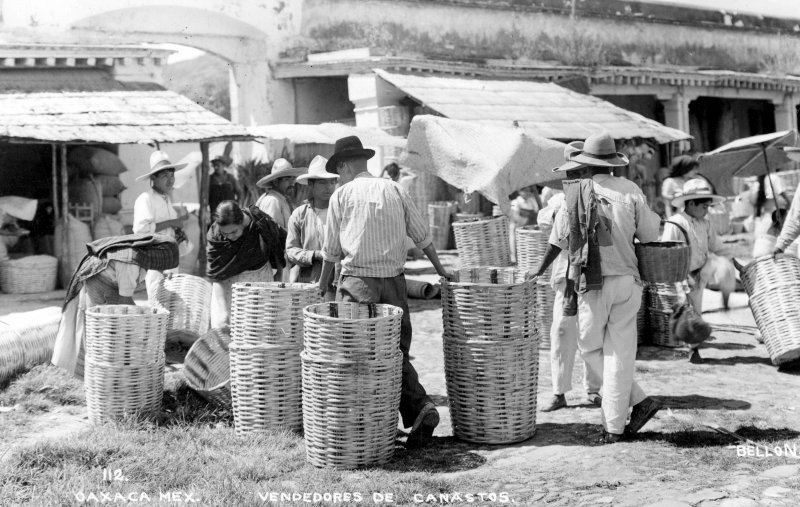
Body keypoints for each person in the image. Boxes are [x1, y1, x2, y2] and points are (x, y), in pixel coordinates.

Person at [318, 135, 453, 449]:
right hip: (394, 283)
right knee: (395, 352)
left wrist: (323, 286)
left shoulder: (342, 194)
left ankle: (368, 423)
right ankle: (420, 407)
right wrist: (442, 271)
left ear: (343, 165)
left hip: (357, 285)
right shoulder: (394, 189)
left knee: (356, 355)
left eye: (337, 170)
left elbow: (331, 251)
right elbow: (423, 237)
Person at [532, 132, 662, 443]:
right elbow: (650, 236)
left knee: (590, 348)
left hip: (593, 283)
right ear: (614, 163)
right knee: (619, 353)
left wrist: (536, 271)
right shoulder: (631, 190)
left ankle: (625, 416)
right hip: (629, 281)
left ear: (586, 163)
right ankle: (631, 410)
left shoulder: (576, 192)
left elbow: (558, 239)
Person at [52, 233, 179, 380]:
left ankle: (112, 372)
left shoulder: (140, 253)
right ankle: (97, 379)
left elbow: (151, 267)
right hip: (96, 284)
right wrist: (150, 323)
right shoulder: (130, 264)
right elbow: (126, 304)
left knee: (115, 330)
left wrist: (164, 273)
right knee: (102, 331)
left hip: (109, 283)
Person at [537, 142, 602, 412]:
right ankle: (559, 391)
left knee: (592, 333)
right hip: (566, 276)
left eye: (581, 169)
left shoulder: (598, 194)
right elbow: (545, 223)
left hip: (593, 274)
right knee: (562, 332)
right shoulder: (558, 199)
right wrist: (563, 211)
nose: (576, 175)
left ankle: (594, 390)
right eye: (572, 171)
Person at [662, 179, 731, 338]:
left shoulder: (705, 224)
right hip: (680, 278)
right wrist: (680, 276)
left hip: (699, 275)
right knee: (682, 311)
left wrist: (734, 261)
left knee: (696, 310)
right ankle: (686, 342)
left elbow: (717, 247)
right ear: (691, 203)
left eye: (708, 207)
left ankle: (693, 342)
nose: (707, 211)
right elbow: (666, 251)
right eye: (704, 207)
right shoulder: (675, 223)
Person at [206, 200, 287, 328]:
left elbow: (276, 244)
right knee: (224, 329)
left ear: (242, 222)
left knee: (257, 330)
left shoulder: (259, 222)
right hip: (227, 286)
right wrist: (223, 311)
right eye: (225, 233)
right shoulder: (216, 235)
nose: (229, 237)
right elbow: (217, 275)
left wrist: (279, 275)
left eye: (234, 232)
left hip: (259, 281)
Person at [133, 151, 190, 297]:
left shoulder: (166, 199)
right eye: (165, 176)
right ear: (154, 178)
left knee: (171, 303)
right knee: (157, 301)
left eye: (172, 175)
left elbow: (170, 227)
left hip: (171, 258)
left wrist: (178, 227)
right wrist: (172, 222)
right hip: (155, 260)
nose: (170, 180)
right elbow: (142, 230)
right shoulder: (145, 199)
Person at [286, 155, 339, 285]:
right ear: (311, 184)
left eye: (332, 182)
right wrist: (315, 255)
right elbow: (291, 250)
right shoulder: (300, 215)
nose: (329, 187)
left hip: (338, 282)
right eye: (323, 182)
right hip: (310, 282)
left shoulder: (342, 211)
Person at [255, 158, 306, 230]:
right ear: (276, 182)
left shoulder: (281, 199)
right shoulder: (272, 201)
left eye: (292, 179)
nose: (292, 183)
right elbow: (274, 234)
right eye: (287, 179)